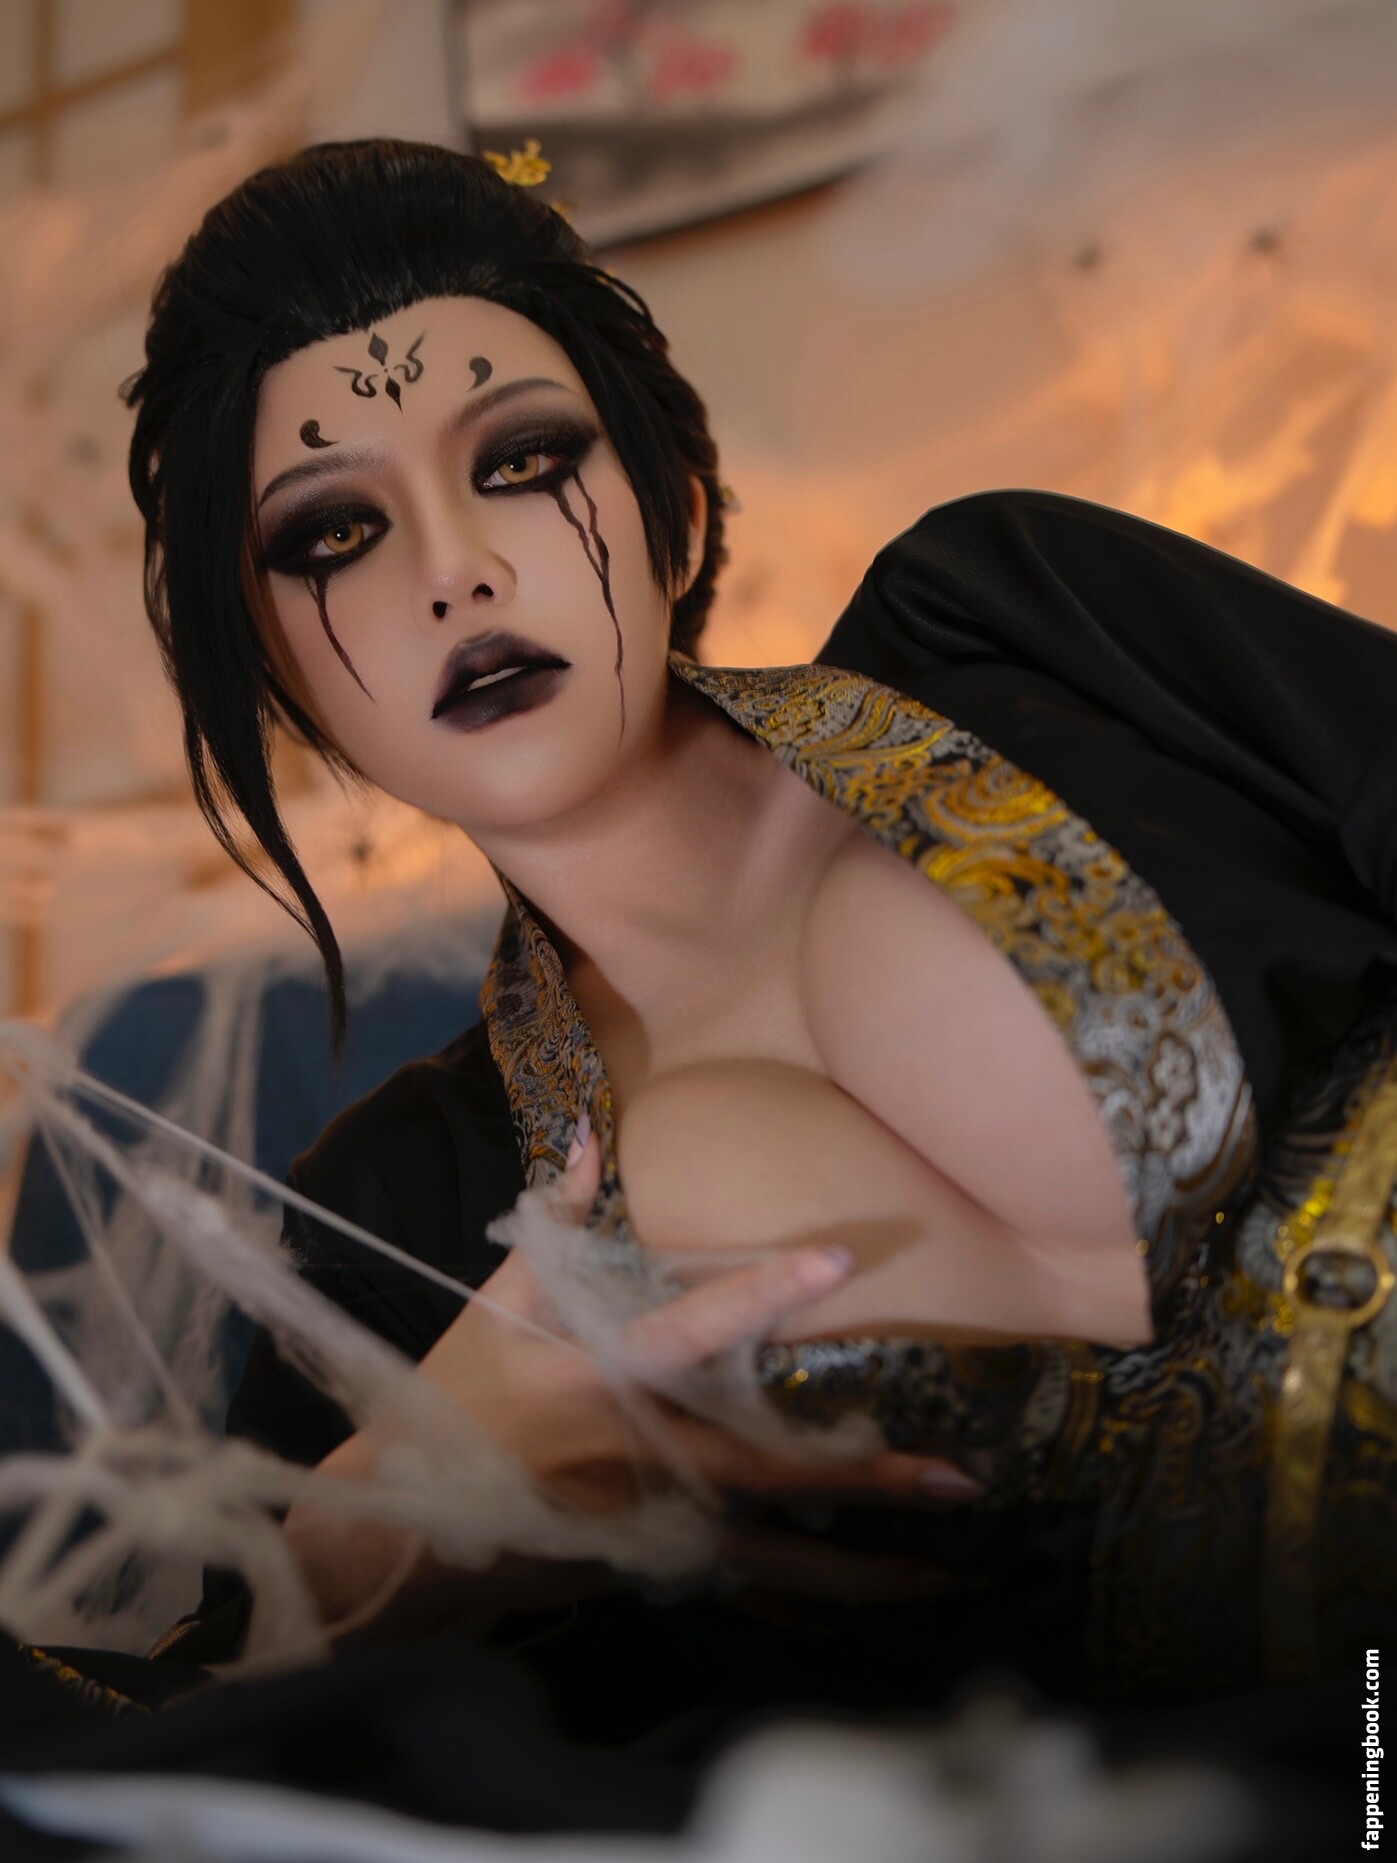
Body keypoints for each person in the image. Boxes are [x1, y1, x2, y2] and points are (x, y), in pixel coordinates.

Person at [117, 137, 1397, 1705]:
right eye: (334, 534)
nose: (455, 574)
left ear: (677, 508)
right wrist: (362, 1547)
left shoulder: (1019, 620)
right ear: (274, 677)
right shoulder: (393, 1211)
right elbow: (167, 1736)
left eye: (520, 459)